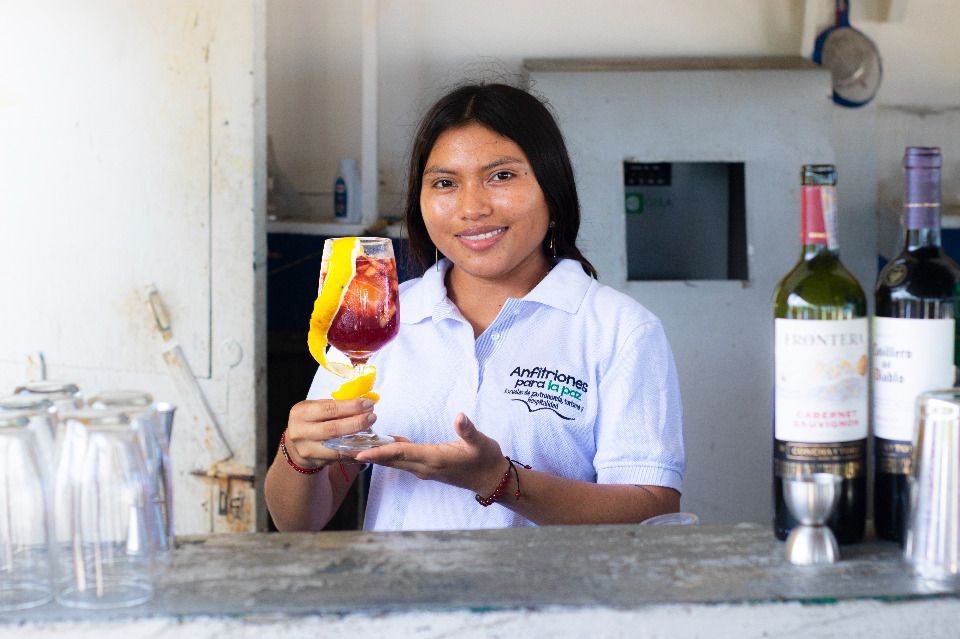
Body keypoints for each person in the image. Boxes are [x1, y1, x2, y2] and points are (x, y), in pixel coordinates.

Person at [264, 82, 685, 531]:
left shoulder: (619, 329)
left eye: (501, 176)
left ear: (552, 187)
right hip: (400, 580)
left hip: (552, 582)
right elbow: (298, 524)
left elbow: (652, 511)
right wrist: (297, 455)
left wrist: (498, 480)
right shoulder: (380, 319)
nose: (472, 208)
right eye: (445, 183)